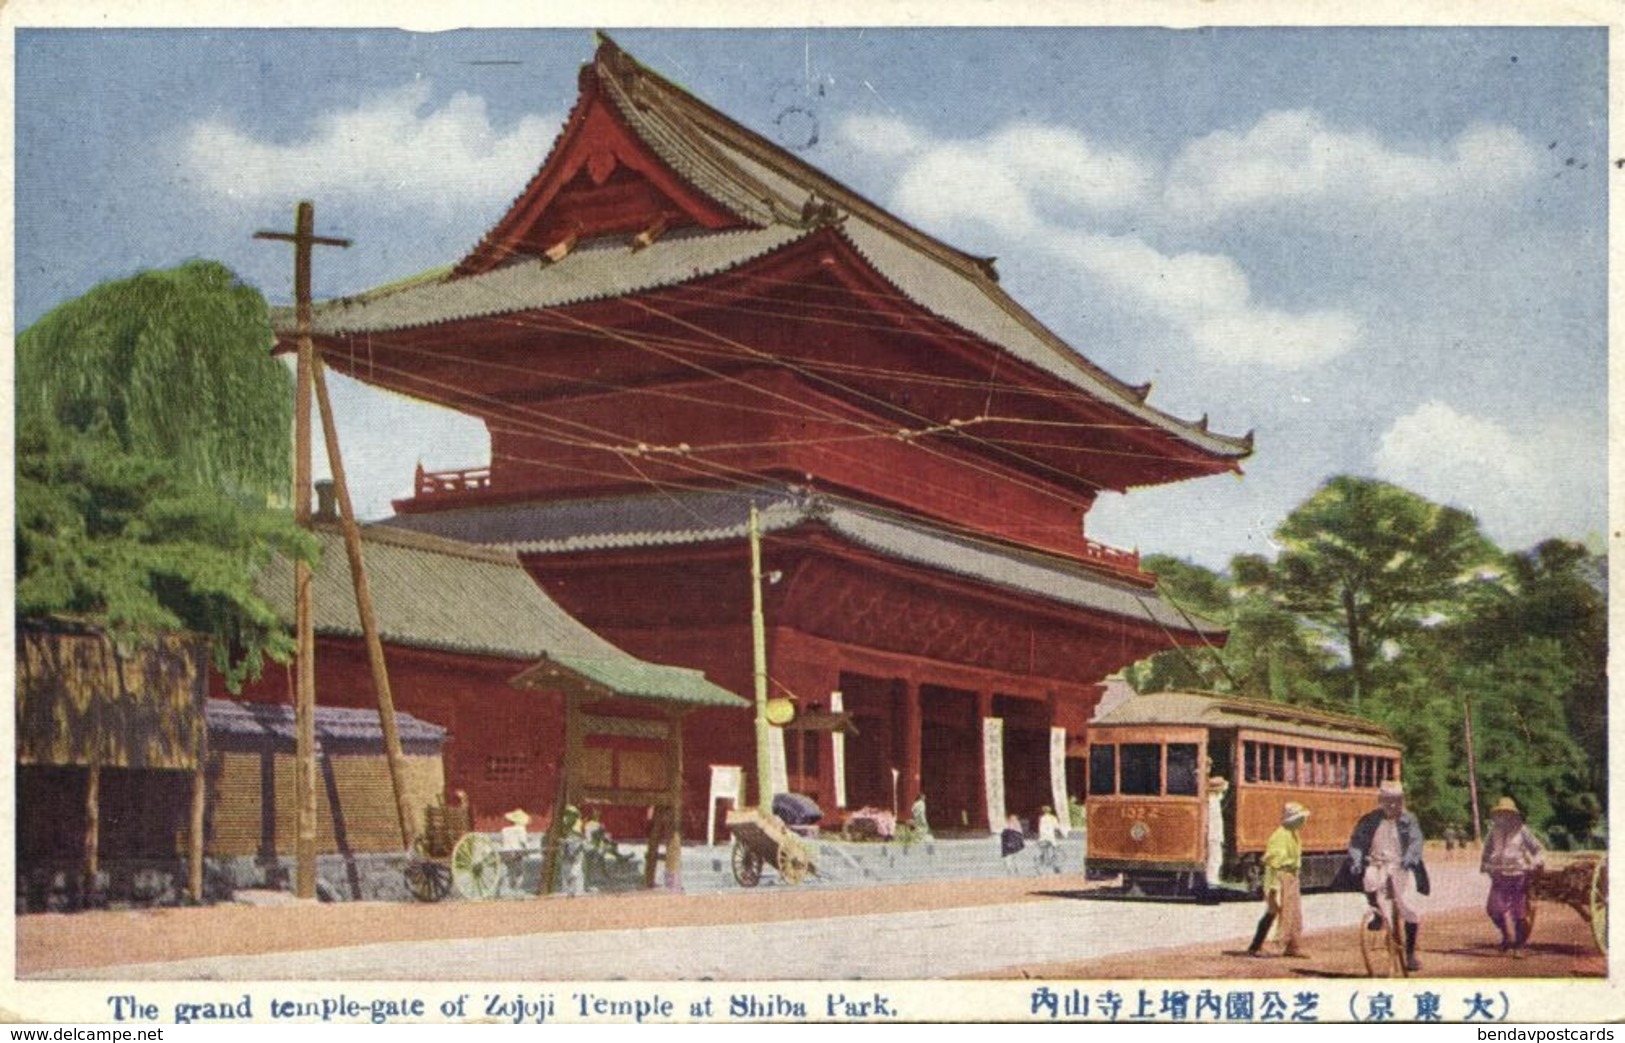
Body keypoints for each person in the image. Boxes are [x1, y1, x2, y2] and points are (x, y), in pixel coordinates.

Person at [1347, 780, 1430, 972]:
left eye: (1396, 801)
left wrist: (1409, 859)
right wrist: (1357, 860)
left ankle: (1409, 954)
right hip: (1377, 863)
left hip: (1401, 865)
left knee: (1409, 907)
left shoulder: (1409, 820)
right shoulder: (1369, 820)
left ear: (1402, 801)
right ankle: (1377, 915)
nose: (1392, 805)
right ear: (1380, 800)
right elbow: (1357, 842)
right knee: (1369, 879)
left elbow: (1416, 842)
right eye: (1387, 800)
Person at [1481, 796, 1544, 958]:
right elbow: (1486, 852)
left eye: (1507, 813)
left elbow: (1538, 849)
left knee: (1519, 913)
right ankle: (1507, 936)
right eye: (1501, 813)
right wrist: (1485, 864)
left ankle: (1519, 946)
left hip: (1518, 875)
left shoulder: (1522, 831)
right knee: (1493, 910)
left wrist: (1534, 863)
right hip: (1499, 875)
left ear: (1513, 815)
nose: (1504, 816)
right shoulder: (1494, 832)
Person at [1247, 802, 1309, 958]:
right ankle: (1268, 945)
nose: (1304, 821)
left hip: (1291, 876)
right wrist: (1274, 886)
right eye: (1301, 818)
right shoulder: (1280, 835)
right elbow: (1273, 862)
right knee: (1277, 911)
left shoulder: (1293, 833)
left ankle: (1293, 946)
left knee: (1293, 912)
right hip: (1280, 876)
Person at [1036, 805, 1064, 873]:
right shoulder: (1053, 818)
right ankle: (1056, 866)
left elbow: (1040, 828)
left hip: (1043, 837)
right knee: (1055, 851)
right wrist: (1061, 834)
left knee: (1044, 851)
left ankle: (1042, 863)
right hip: (1051, 837)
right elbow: (1057, 827)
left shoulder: (1041, 818)